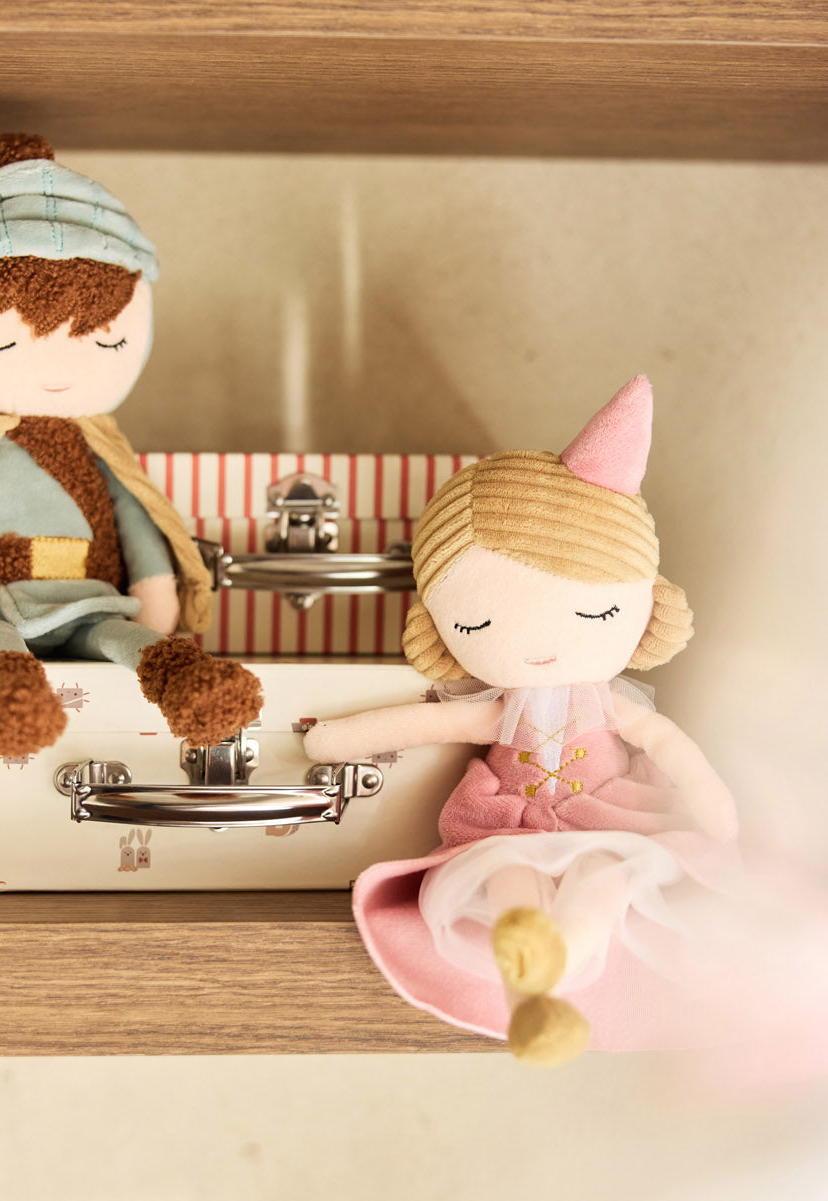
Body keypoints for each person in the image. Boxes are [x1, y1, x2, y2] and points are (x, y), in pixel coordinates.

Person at [304, 377, 741, 1066]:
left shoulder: (611, 703)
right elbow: (426, 725)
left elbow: (662, 741)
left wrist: (711, 805)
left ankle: (558, 964)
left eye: (593, 612)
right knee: (506, 873)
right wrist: (337, 740)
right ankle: (529, 982)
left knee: (606, 874)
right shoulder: (500, 708)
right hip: (508, 824)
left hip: (603, 819)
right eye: (475, 625)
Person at [0, 132, 259, 753]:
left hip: (88, 599)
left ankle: (182, 677)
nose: (56, 367)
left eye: (104, 339)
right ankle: (11, 689)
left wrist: (152, 588)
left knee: (119, 636)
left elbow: (133, 515)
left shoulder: (102, 451)